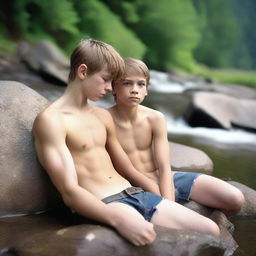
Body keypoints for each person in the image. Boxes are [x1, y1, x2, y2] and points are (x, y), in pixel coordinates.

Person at [33, 39, 221, 247]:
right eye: (105, 80)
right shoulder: (52, 120)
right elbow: (69, 191)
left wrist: (160, 196)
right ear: (83, 72)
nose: (108, 88)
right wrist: (118, 219)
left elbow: (126, 167)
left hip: (136, 194)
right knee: (148, 238)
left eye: (112, 82)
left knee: (211, 230)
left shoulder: (102, 116)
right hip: (106, 203)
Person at [109, 57, 245, 217]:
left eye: (140, 84)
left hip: (165, 177)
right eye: (126, 83)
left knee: (235, 198)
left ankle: (213, 225)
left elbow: (164, 166)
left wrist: (169, 203)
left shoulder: (155, 118)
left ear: (146, 90)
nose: (134, 89)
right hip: (132, 187)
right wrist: (167, 206)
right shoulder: (104, 119)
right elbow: (127, 170)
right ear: (113, 87)